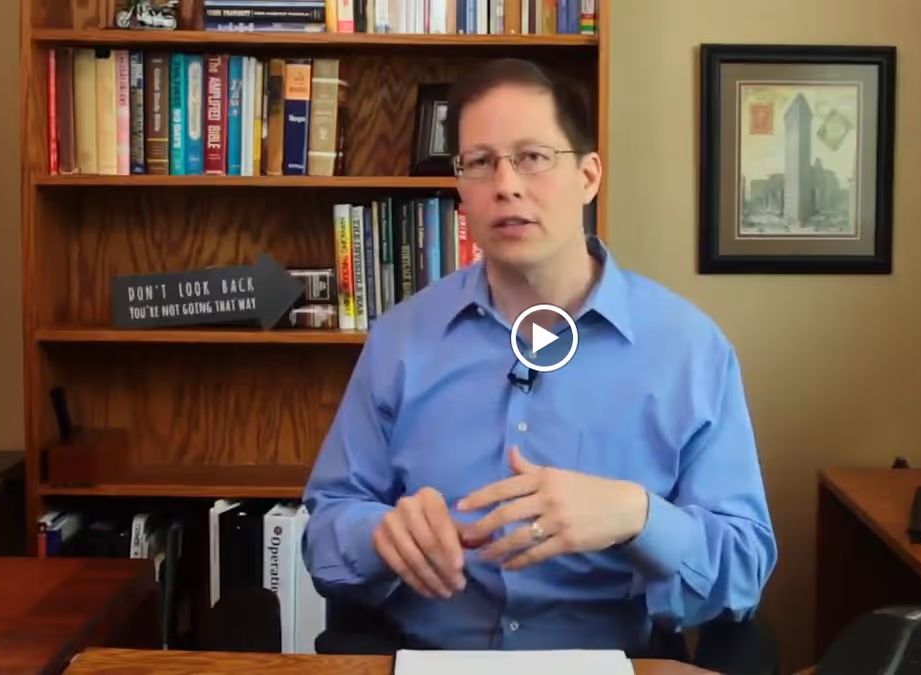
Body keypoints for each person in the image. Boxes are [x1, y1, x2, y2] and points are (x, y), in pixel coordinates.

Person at [301, 57, 777, 656]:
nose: (506, 184)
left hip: (619, 662)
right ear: (461, 189)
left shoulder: (690, 350)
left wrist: (638, 517)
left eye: (532, 157)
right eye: (480, 162)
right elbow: (324, 532)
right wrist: (379, 535)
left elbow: (744, 572)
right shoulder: (400, 340)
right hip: (430, 660)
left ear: (588, 175)